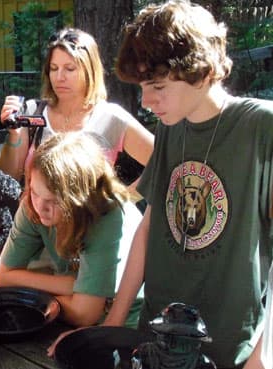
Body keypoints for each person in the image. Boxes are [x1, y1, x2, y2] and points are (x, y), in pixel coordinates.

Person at [95, 1, 273, 368]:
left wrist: (263, 351)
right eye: (144, 86)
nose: (146, 101)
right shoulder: (170, 126)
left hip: (229, 347)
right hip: (156, 341)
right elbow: (149, 227)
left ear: (203, 71)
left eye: (157, 85)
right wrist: (115, 322)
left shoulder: (261, 127)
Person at [0, 132, 143, 327]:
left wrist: (28, 295)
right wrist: (68, 285)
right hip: (70, 308)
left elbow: (85, 314)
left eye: (53, 200)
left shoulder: (107, 215)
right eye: (34, 191)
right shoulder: (32, 206)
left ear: (80, 199)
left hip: (125, 321)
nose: (40, 206)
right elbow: (4, 277)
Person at [0, 27, 154, 189]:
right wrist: (14, 135)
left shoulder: (110, 117)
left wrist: (125, 199)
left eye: (70, 69)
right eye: (54, 68)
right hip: (30, 214)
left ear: (89, 70)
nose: (59, 77)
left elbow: (164, 162)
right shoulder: (32, 111)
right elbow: (7, 178)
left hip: (93, 215)